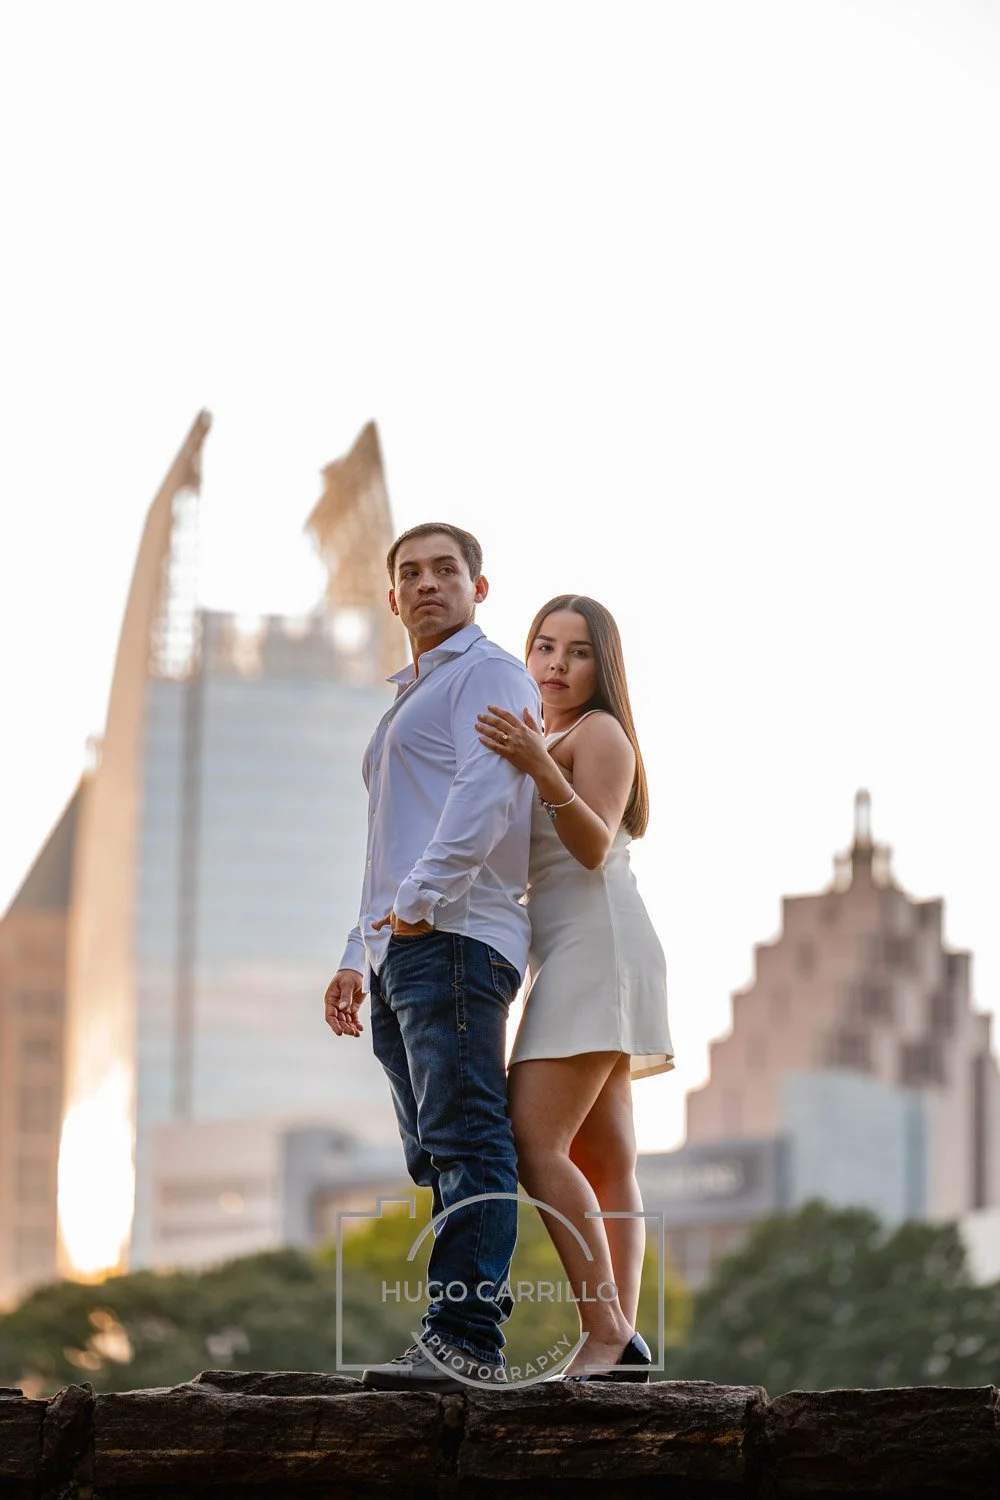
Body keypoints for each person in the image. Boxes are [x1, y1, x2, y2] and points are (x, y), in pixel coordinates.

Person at [324, 522, 541, 1391]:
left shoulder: (489, 674)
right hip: (402, 953)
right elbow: (391, 838)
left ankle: (465, 1341)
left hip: (452, 938)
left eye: (444, 570)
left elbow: (486, 798)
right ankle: (455, 1334)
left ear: (478, 589)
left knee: (467, 1139)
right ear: (391, 598)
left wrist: (415, 907)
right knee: (433, 1150)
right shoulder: (411, 699)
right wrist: (357, 949)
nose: (425, 584)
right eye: (409, 574)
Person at [476, 594, 673, 1382]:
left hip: (600, 942)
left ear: (603, 667)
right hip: (574, 948)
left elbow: (592, 846)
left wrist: (534, 764)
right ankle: (621, 1342)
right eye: (544, 646)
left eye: (578, 652)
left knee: (534, 1142)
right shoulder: (544, 735)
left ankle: (606, 1330)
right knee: (604, 1156)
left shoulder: (600, 734)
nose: (556, 664)